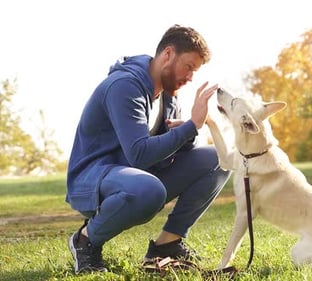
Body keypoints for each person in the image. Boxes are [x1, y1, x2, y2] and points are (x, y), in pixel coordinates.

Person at [65, 24, 231, 274]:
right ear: (167, 54)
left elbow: (166, 151)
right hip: (94, 178)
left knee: (219, 158)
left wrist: (186, 134)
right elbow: (139, 154)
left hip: (135, 177)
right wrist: (192, 126)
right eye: (188, 67)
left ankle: (167, 244)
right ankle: (85, 240)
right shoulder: (124, 86)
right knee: (149, 189)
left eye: (194, 71)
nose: (190, 77)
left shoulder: (168, 94)